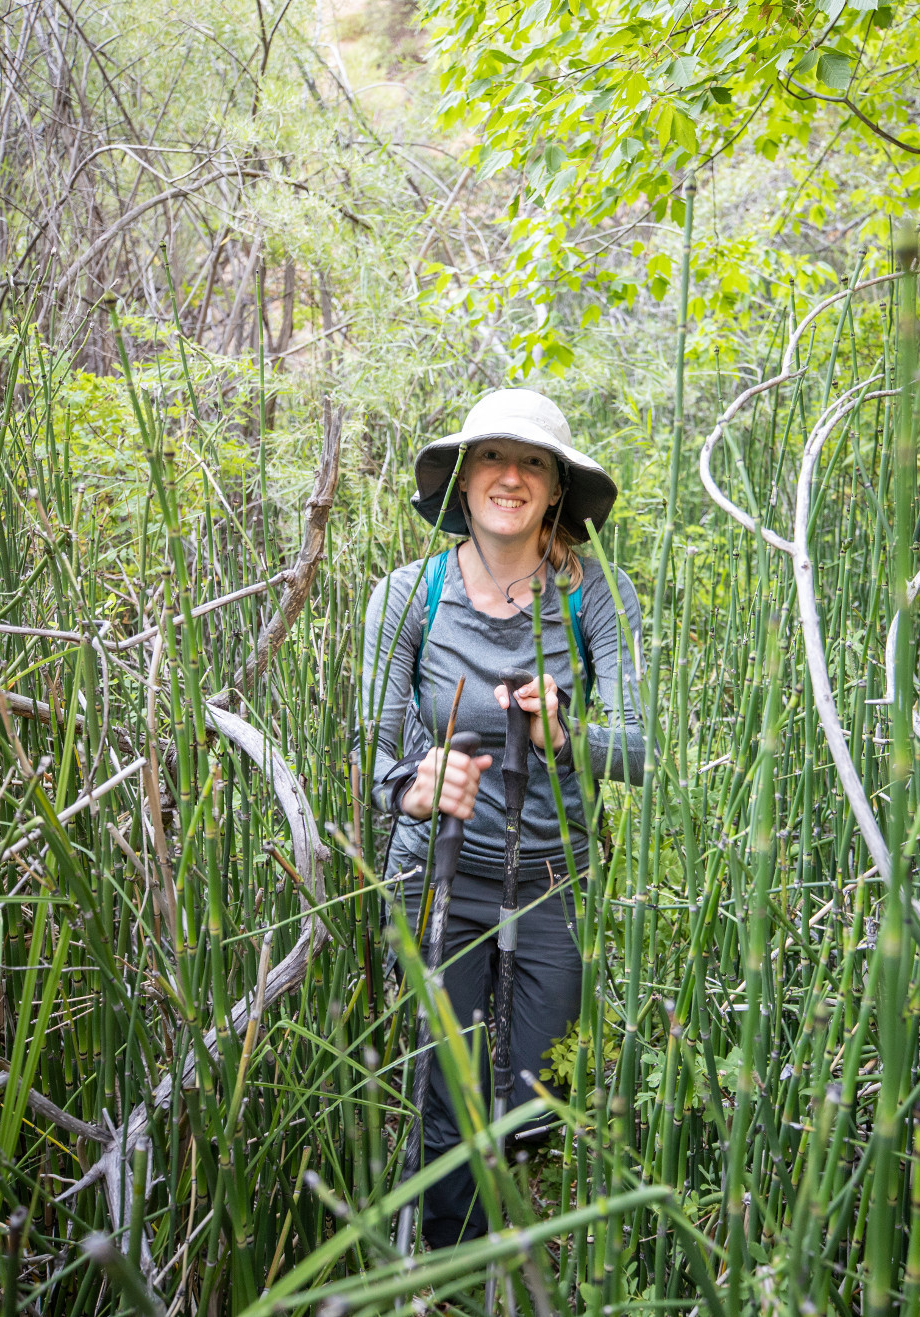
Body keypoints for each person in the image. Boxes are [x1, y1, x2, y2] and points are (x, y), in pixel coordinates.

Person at [360, 387, 647, 1250]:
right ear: (463, 476)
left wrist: (568, 736)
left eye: (532, 462)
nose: (511, 476)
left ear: (557, 487)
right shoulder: (408, 594)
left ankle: (513, 1259)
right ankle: (447, 1285)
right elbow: (373, 764)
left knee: (528, 1114)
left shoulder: (596, 594)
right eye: (493, 456)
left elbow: (642, 750)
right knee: (445, 1118)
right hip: (433, 879)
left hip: (551, 880)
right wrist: (417, 786)